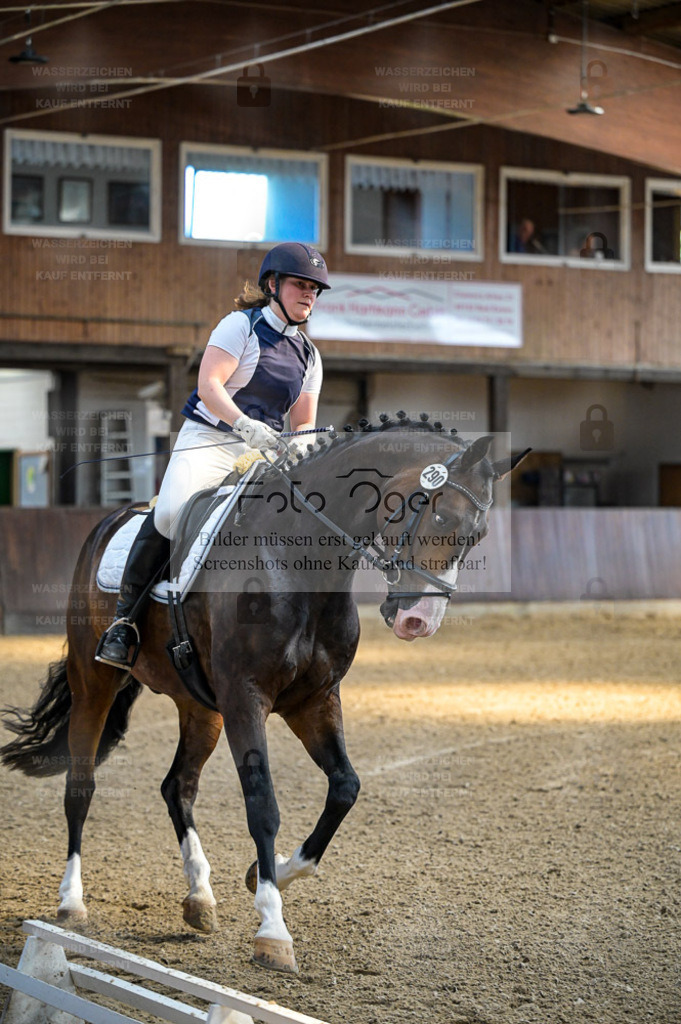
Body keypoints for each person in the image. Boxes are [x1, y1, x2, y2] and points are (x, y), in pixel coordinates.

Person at [96, 241, 330, 669]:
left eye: (314, 289)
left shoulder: (310, 356)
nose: (309, 294)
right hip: (210, 439)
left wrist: (304, 446)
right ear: (272, 284)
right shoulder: (239, 326)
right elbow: (209, 386)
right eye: (300, 284)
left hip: (265, 453)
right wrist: (245, 424)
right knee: (171, 512)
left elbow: (302, 424)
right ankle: (124, 622)